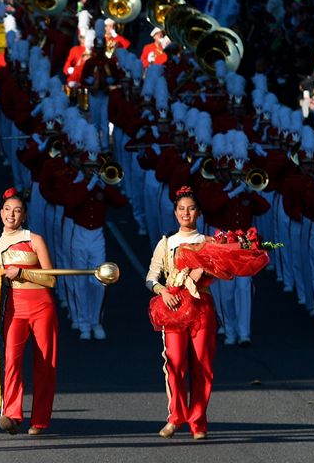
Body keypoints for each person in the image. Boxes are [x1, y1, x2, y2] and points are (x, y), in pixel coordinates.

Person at [145, 187, 213, 440]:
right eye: (181, 208)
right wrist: (163, 291)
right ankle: (175, 417)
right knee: (174, 364)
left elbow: (220, 272)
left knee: (202, 365)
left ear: (199, 212)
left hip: (201, 307)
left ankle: (198, 422)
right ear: (175, 212)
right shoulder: (166, 243)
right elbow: (151, 277)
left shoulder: (208, 243)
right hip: (173, 307)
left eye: (191, 208)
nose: (186, 213)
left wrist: (204, 272)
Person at [0, 188, 57, 436]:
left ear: (24, 215)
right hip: (15, 307)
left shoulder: (35, 239)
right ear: (1, 213)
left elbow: (51, 280)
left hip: (42, 306)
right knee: (12, 361)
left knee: (45, 363)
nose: (12, 215)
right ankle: (12, 413)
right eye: (8, 210)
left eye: (17, 211)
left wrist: (23, 273)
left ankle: (39, 420)